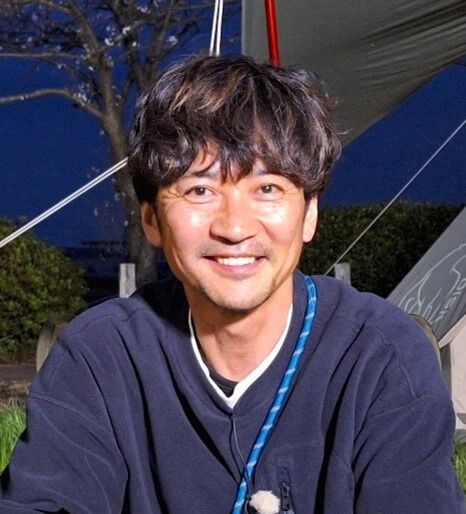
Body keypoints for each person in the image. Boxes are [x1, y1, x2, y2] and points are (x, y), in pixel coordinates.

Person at [0, 55, 464, 514]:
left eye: (267, 189)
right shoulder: (100, 357)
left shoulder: (382, 356)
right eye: (199, 190)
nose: (235, 227)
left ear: (309, 214)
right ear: (151, 220)